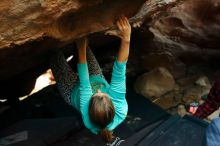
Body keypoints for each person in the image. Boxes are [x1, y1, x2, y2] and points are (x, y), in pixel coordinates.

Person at [50, 16, 131, 143]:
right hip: (96, 78)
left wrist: (80, 46)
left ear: (90, 106)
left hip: (72, 92)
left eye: (96, 95)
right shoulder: (121, 108)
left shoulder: (87, 117)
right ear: (113, 105)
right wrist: (126, 38)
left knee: (54, 55)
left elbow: (84, 83)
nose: (98, 91)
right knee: (85, 46)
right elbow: (119, 70)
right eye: (103, 94)